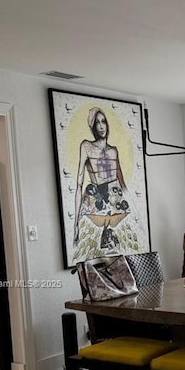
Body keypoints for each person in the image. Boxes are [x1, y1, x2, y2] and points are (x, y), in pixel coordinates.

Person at [73, 107, 134, 258]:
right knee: (96, 252)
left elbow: (122, 182)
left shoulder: (113, 151)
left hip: (116, 199)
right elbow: (79, 184)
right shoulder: (86, 146)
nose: (101, 126)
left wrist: (134, 209)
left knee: (120, 248)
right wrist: (75, 222)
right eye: (97, 123)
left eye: (104, 122)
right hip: (97, 198)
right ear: (92, 127)